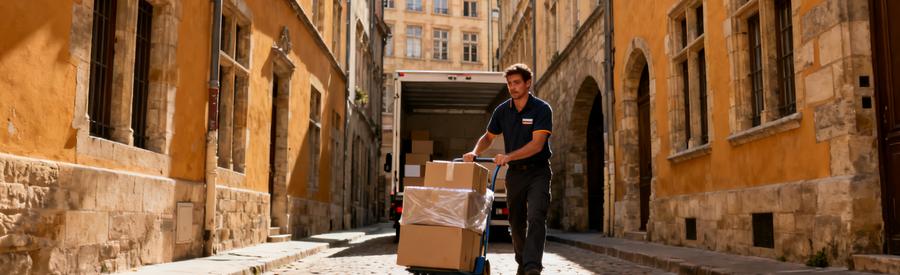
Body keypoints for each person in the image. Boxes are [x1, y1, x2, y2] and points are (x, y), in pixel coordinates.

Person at [463, 63, 553, 275]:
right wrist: (474, 151)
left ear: (528, 83)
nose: (512, 87)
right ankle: (523, 261)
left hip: (538, 171)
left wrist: (508, 156)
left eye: (517, 83)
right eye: (509, 83)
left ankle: (532, 266)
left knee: (536, 216)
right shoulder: (502, 111)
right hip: (515, 175)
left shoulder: (541, 109)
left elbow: (537, 144)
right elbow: (488, 137)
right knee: (515, 221)